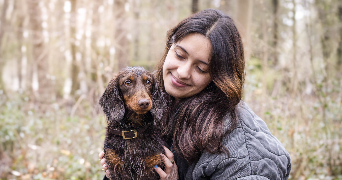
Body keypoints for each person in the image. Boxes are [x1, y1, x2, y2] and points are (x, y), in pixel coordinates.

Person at [100, 9, 291, 180]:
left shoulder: (247, 159)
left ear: (219, 78)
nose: (183, 72)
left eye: (200, 68)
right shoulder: (159, 102)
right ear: (169, 49)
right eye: (180, 55)